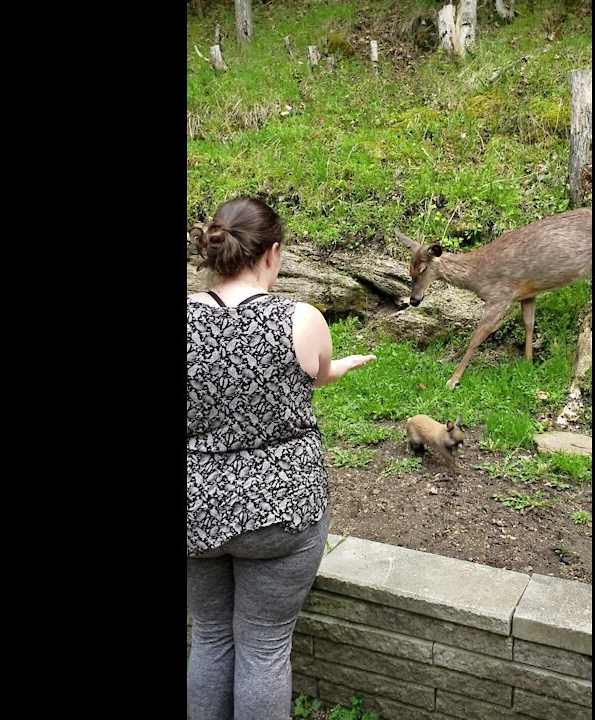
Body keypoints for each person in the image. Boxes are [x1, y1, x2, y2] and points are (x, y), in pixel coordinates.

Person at [186, 197, 376, 720]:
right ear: (271, 253)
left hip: (193, 511)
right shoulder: (301, 318)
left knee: (209, 637)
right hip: (281, 511)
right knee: (263, 647)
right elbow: (314, 374)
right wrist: (341, 367)